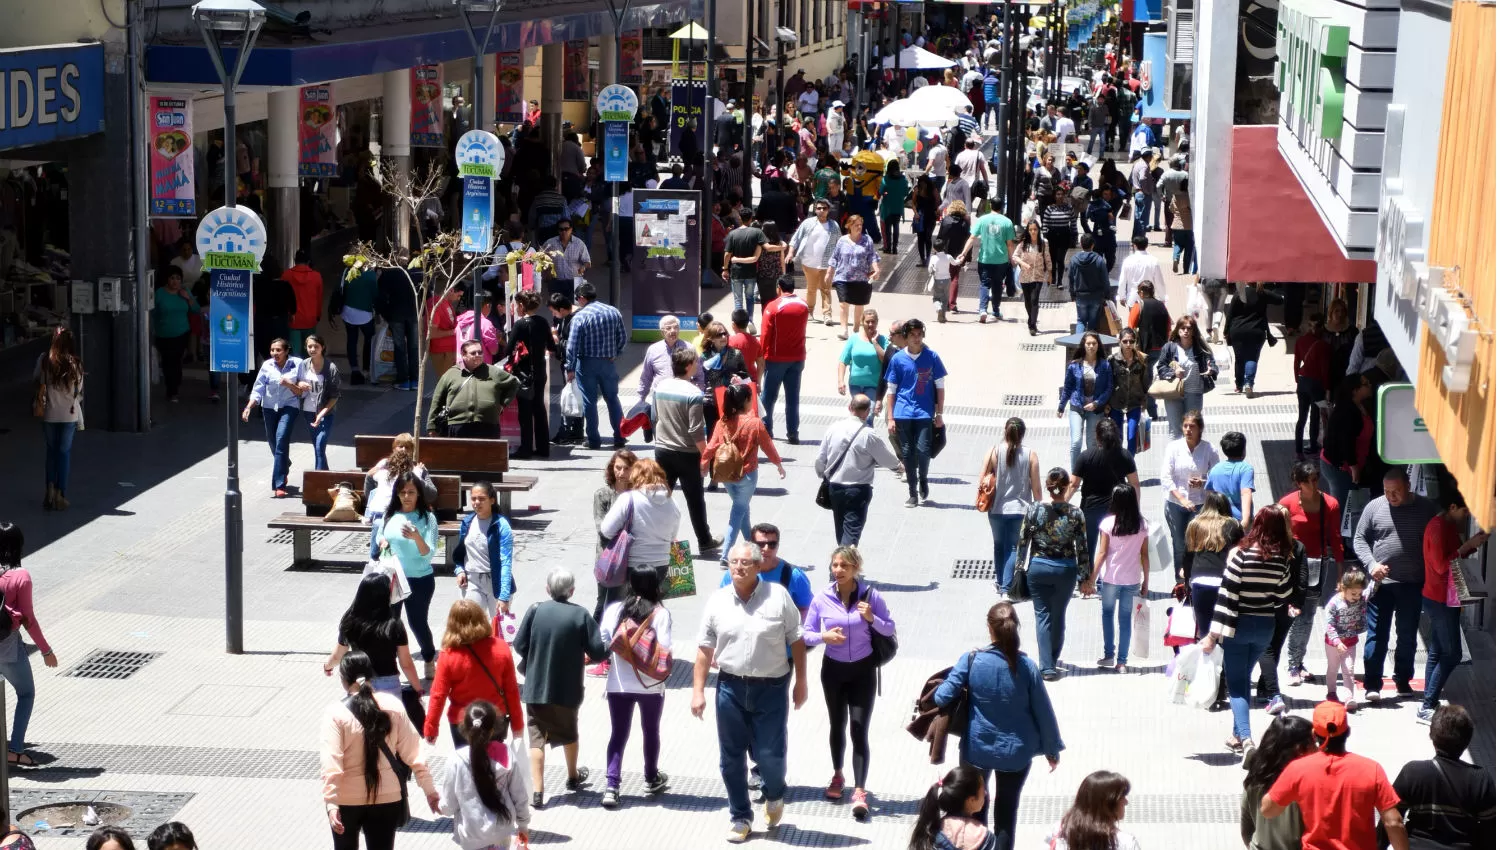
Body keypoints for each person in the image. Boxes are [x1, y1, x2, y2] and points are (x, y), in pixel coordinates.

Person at [692, 541, 809, 844]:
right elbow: (705, 648)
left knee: (770, 755)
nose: (739, 567)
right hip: (730, 687)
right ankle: (740, 816)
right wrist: (698, 691)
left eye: (745, 562)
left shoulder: (778, 597)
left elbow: (797, 640)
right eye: (734, 562)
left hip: (771, 687)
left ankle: (774, 794)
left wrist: (802, 682)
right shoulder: (718, 600)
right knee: (730, 758)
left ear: (758, 566)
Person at [934, 602, 1063, 848]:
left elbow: (942, 697)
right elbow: (1044, 711)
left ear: (989, 628)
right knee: (1007, 811)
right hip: (1015, 753)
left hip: (976, 750)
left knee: (974, 809)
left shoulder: (972, 660)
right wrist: (1052, 750)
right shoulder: (1027, 667)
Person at [801, 546, 894, 820]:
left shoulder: (871, 596)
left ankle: (860, 790)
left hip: (863, 672)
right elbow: (805, 634)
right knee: (837, 724)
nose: (838, 570)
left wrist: (871, 618)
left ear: (856, 569)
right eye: (835, 565)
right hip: (833, 671)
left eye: (844, 566)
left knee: (859, 729)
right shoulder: (822, 598)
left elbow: (889, 628)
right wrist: (824, 637)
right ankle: (838, 774)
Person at [1200, 506, 1298, 756]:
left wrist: (1212, 635)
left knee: (1237, 685)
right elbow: (1282, 596)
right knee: (1243, 678)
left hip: (1238, 627)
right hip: (1265, 627)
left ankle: (1246, 739)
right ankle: (1236, 735)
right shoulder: (1281, 558)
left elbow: (1226, 596)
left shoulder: (1241, 555)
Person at [320, 651, 439, 850]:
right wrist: (430, 791)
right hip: (387, 796)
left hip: (347, 798)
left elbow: (331, 763)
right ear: (371, 676)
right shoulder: (393, 705)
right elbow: (414, 753)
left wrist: (331, 803)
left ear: (343, 679)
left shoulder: (335, 713)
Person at [512, 568, 608, 808]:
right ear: (572, 591)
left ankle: (537, 791)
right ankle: (573, 776)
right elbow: (597, 652)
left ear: (547, 589)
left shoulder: (535, 610)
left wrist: (534, 657)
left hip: (535, 688)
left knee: (536, 739)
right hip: (567, 689)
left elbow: (519, 644)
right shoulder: (581, 615)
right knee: (569, 732)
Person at [1262, 702, 1409, 850]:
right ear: (1348, 732)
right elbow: (1393, 822)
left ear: (1314, 735)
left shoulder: (1297, 769)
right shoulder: (1372, 769)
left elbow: (1268, 810)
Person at [1353, 469, 1439, 702]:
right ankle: (1372, 682)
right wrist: (1372, 565)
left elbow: (1437, 538)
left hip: (1413, 583)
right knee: (1377, 635)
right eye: (1387, 491)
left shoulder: (1425, 508)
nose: (1391, 496)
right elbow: (1359, 538)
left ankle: (1403, 679)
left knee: (1408, 634)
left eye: (1396, 492)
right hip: (1383, 584)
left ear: (1408, 486)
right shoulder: (1374, 507)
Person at [596, 566, 675, 809]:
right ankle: (651, 778)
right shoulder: (660, 613)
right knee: (650, 731)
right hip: (651, 686)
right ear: (655, 584)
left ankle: (612, 786)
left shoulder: (615, 609)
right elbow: (666, 647)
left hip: (618, 684)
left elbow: (603, 639)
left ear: (630, 583)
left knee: (618, 733)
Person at [1419, 491, 1487, 723]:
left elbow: (1453, 557)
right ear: (1452, 506)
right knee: (1453, 653)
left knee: (1438, 650)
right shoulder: (1438, 528)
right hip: (1439, 599)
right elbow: (1440, 566)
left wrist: (1471, 545)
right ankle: (1427, 705)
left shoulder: (1446, 525)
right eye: (1465, 510)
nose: (1467, 515)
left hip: (1442, 598)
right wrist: (1465, 545)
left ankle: (1429, 701)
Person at [1388, 704, 1495, 846]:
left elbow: (1390, 820)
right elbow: (1490, 832)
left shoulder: (1412, 772)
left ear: (1432, 736)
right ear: (1468, 740)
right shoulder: (1480, 779)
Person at [423, 600, 524, 747]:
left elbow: (438, 695)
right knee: (494, 765)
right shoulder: (501, 648)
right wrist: (518, 725)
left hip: (462, 723)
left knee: (466, 766)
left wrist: (431, 727)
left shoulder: (448, 656)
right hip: (494, 719)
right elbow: (512, 691)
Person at [1278, 460, 1344, 687]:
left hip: (1317, 565)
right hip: (1292, 565)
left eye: (1316, 479)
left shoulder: (1330, 504)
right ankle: (1292, 662)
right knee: (1292, 614)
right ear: (1299, 483)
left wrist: (1340, 572)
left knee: (1306, 615)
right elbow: (1278, 535)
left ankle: (1296, 663)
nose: (1315, 485)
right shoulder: (1286, 504)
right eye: (1309, 482)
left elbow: (1336, 538)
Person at [1019, 469, 1089, 680]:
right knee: (1059, 614)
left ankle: (1047, 665)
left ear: (1048, 486)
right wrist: (1085, 577)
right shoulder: (1076, 514)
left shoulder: (1034, 510)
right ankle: (1053, 656)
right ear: (1067, 486)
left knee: (1042, 615)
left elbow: (1022, 540)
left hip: (1038, 568)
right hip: (1065, 570)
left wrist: (1019, 566)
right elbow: (1083, 548)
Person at [650, 347, 720, 554]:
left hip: (663, 449)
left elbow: (655, 417)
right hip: (688, 453)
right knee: (695, 499)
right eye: (696, 363)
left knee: (661, 496)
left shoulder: (661, 386)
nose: (697, 367)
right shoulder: (693, 393)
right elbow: (696, 430)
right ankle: (704, 540)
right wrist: (706, 456)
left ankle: (656, 538)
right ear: (689, 366)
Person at [704, 383, 786, 556]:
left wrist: (704, 464)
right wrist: (778, 464)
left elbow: (711, 446)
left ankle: (752, 547)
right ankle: (726, 555)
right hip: (747, 474)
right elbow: (767, 446)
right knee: (738, 511)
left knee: (742, 509)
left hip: (726, 474)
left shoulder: (722, 422)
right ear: (748, 401)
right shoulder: (755, 423)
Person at [439, 701, 532, 850]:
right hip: (501, 830)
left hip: (471, 833)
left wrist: (440, 806)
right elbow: (519, 794)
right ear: (493, 729)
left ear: (465, 728)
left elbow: (449, 805)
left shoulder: (456, 759)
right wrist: (523, 824)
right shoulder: (506, 754)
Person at [0, 524, 56, 767]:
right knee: (26, 694)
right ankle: (15, 750)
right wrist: (46, 650)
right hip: (8, 648)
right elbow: (29, 620)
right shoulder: (20, 577)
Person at [377, 472, 441, 679]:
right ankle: (390, 663)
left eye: (411, 492)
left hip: (419, 579)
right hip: (393, 577)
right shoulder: (391, 515)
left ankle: (429, 658)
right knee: (390, 622)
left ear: (419, 495)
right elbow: (379, 534)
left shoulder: (427, 518)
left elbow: (429, 552)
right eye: (402, 492)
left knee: (417, 622)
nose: (406, 496)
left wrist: (416, 537)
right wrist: (382, 542)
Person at [1082, 485, 1150, 671]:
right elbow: (1145, 555)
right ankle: (1122, 661)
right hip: (1133, 578)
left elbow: (1102, 553)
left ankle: (1108, 655)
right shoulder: (1142, 524)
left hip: (1111, 578)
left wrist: (1091, 579)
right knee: (1125, 619)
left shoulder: (1108, 523)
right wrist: (1146, 582)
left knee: (1107, 614)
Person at [885, 318, 946, 508]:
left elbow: (940, 387)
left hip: (924, 413)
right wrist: (890, 417)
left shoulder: (932, 357)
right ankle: (912, 492)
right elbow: (891, 390)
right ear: (906, 337)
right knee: (907, 453)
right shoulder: (897, 359)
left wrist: (939, 414)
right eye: (912, 335)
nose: (916, 338)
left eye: (919, 335)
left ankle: (923, 478)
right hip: (903, 412)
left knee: (923, 450)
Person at [981, 418, 1042, 598]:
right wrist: (1039, 508)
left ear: (1004, 431)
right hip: (1020, 510)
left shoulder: (993, 452)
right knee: (1013, 548)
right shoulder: (1031, 455)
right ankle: (1006, 589)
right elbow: (1037, 488)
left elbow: (982, 480)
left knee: (999, 546)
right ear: (1022, 434)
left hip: (996, 509)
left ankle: (1001, 583)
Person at [1068, 417, 1141, 566]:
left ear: (1097, 435)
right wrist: (1135, 509)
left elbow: (1073, 484)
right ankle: (1105, 579)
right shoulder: (1125, 455)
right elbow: (1135, 484)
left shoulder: (1086, 456)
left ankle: (1086, 580)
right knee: (1111, 546)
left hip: (1090, 508)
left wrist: (1061, 503)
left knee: (1088, 546)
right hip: (1116, 509)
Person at [564, 283, 628, 450]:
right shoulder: (613, 312)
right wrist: (617, 352)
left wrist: (569, 367)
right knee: (613, 399)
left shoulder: (580, 317)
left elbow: (572, 345)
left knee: (589, 402)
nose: (577, 302)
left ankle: (594, 439)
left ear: (583, 298)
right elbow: (622, 337)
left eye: (577, 299)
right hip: (608, 362)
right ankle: (620, 436)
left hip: (586, 363)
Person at [1240, 715, 1315, 850]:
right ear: (1300, 749)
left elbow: (1246, 828)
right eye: (1314, 744)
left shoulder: (1256, 775)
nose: (1319, 749)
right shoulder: (1305, 784)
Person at [242, 338, 303, 498]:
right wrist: (249, 406)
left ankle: (279, 484)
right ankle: (284, 463)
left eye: (278, 350)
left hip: (290, 406)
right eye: (272, 350)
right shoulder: (267, 365)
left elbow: (301, 392)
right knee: (273, 442)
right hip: (269, 407)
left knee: (281, 439)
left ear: (286, 351)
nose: (275, 353)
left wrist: (290, 384)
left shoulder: (297, 364)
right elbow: (258, 387)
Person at [426, 339, 520, 438]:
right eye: (473, 353)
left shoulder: (493, 372)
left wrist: (502, 404)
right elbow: (437, 400)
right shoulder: (451, 374)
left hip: (488, 427)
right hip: (457, 426)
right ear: (463, 355)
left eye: (480, 352)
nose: (477, 355)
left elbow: (514, 383)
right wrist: (431, 426)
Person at [34, 327, 83, 510]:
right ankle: (61, 494)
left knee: (51, 453)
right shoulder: (75, 364)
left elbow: (38, 380)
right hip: (69, 415)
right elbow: (79, 390)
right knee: (64, 455)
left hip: (50, 414)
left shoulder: (46, 361)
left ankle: (49, 490)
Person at [451, 482, 514, 620]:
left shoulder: (501, 525)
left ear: (492, 500)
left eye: (481, 498)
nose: (476, 502)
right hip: (472, 581)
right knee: (470, 626)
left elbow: (506, 562)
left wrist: (503, 596)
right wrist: (460, 570)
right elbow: (462, 552)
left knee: (498, 630)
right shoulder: (467, 522)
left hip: (495, 582)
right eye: (473, 498)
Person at [502, 290, 554, 458]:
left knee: (524, 413)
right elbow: (552, 346)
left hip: (524, 374)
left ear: (522, 306)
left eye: (517, 305)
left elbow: (508, 350)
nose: (516, 308)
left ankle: (525, 449)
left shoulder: (520, 325)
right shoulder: (543, 322)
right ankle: (543, 447)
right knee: (539, 410)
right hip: (540, 372)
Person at [1320, 374, 1374, 528]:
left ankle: (1346, 541)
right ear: (1355, 390)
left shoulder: (1360, 405)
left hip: (1350, 465)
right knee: (1343, 508)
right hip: (1340, 467)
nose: (1369, 385)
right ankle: (1339, 544)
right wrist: (1353, 466)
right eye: (1365, 383)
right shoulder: (1347, 411)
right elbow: (1346, 441)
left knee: (1350, 507)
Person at [760, 276, 810, 443]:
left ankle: (766, 430)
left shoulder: (773, 307)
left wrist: (761, 355)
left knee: (768, 396)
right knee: (793, 397)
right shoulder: (804, 306)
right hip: (797, 358)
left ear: (779, 287)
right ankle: (793, 432)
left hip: (776, 358)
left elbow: (765, 334)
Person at [907, 765, 998, 850]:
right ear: (971, 800)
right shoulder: (984, 838)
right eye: (983, 791)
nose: (985, 794)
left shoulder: (933, 830)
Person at [1156, 316, 1218, 440]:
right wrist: (1173, 372)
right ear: (1178, 330)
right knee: (1175, 429)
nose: (1185, 331)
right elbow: (1161, 367)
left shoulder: (1201, 348)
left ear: (1194, 331)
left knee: (1192, 428)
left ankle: (1193, 456)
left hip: (1194, 393)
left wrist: (1211, 371)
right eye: (1182, 328)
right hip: (1174, 392)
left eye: (1189, 328)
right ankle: (1176, 458)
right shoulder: (1169, 347)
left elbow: (1213, 365)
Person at [1044, 771, 1141, 850]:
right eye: (1122, 797)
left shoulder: (1058, 831)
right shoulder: (1126, 843)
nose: (1126, 802)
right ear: (1107, 804)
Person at [1058, 331, 1113, 468]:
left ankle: (1090, 473)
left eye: (1094, 343)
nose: (1091, 346)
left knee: (1092, 443)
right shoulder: (1074, 365)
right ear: (1083, 345)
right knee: (1076, 442)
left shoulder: (1105, 365)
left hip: (1095, 410)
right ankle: (1075, 474)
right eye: (1088, 343)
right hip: (1077, 407)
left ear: (1098, 346)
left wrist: (1097, 403)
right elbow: (1068, 387)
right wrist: (1061, 406)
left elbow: (1109, 388)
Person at [962, 198, 1017, 324]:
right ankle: (996, 310)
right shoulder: (1007, 222)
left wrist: (963, 253)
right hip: (1001, 260)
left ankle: (982, 309)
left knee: (984, 284)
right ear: (1002, 207)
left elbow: (972, 238)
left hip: (985, 259)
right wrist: (1011, 258)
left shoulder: (982, 220)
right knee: (997, 285)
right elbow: (1009, 244)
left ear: (990, 205)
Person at [1322, 568, 1371, 711]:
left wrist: (1377, 578)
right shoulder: (1333, 604)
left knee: (1349, 669)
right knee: (1333, 668)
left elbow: (1371, 589)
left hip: (1350, 641)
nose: (1357, 597)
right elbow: (1329, 625)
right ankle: (1331, 692)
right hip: (1333, 643)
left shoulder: (1361, 598)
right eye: (1353, 593)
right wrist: (1337, 641)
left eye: (1359, 593)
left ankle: (1349, 697)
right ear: (1344, 588)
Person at [788, 199, 841, 326]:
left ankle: (827, 314)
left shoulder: (834, 226)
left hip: (826, 264)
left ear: (828, 210)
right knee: (811, 289)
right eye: (819, 208)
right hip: (809, 262)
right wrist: (790, 253)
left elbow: (839, 244)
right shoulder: (807, 223)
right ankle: (809, 311)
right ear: (815, 210)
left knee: (826, 289)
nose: (821, 211)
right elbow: (795, 239)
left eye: (824, 208)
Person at [828, 215, 881, 340]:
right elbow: (835, 257)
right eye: (856, 225)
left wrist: (876, 268)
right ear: (849, 226)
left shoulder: (867, 240)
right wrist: (829, 272)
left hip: (862, 278)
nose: (859, 227)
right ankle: (844, 329)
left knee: (859, 305)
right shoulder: (842, 240)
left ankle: (856, 329)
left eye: (860, 225)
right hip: (843, 277)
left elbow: (872, 256)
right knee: (843, 304)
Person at [1224, 283, 1284, 397]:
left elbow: (1230, 314)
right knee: (1252, 357)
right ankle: (1249, 384)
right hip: (1257, 331)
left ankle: (1239, 385)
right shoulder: (1263, 293)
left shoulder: (1239, 294)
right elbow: (1280, 300)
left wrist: (1226, 331)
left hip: (1238, 330)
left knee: (1239, 358)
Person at [295, 334, 341, 471]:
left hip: (326, 411)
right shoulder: (304, 364)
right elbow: (298, 383)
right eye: (310, 346)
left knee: (320, 444)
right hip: (308, 410)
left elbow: (335, 396)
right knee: (317, 446)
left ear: (322, 347)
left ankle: (318, 479)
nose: (313, 349)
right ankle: (324, 477)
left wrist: (321, 414)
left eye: (316, 346)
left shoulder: (331, 368)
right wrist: (300, 383)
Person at [374, 255, 420, 391]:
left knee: (400, 348)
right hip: (413, 314)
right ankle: (415, 380)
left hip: (396, 315)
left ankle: (403, 379)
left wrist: (386, 315)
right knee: (413, 347)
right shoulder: (415, 274)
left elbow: (380, 298)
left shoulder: (387, 275)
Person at [153, 266, 196, 403]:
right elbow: (152, 312)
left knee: (176, 361)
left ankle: (174, 390)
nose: (175, 281)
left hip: (182, 333)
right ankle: (171, 389)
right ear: (167, 279)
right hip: (163, 334)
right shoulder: (159, 293)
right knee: (167, 362)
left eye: (178, 278)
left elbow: (196, 309)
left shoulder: (184, 292)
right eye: (172, 278)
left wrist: (188, 298)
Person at [1107, 328, 1150, 455]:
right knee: (1117, 437)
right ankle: (1118, 466)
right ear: (1119, 341)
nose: (1128, 344)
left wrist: (1144, 402)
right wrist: (1107, 403)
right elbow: (1109, 382)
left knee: (1132, 436)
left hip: (1134, 403)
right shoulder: (1112, 360)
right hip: (1116, 403)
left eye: (1131, 341)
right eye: (1125, 341)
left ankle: (1129, 466)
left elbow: (1146, 382)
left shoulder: (1142, 359)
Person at [1293, 313, 1330, 455]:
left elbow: (1296, 363)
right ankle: (1313, 445)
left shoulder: (1300, 341)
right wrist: (1327, 388)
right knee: (1315, 416)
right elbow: (1324, 370)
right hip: (1317, 384)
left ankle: (1298, 450)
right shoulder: (1324, 345)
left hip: (1302, 381)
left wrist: (1298, 380)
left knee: (1301, 417)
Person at [934, 200, 973, 321]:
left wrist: (937, 251)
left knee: (944, 277)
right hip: (959, 254)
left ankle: (943, 303)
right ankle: (952, 304)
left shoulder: (946, 221)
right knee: (955, 277)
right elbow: (968, 240)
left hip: (945, 253)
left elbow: (940, 237)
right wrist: (968, 256)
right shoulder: (965, 223)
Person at [1204, 431, 1256, 522]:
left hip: (1219, 520)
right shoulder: (1246, 469)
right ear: (1243, 450)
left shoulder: (1215, 469)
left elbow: (1210, 494)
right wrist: (1246, 520)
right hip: (1239, 521)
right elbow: (1246, 493)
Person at [724, 213, 768, 315]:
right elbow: (766, 246)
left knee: (738, 300)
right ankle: (750, 320)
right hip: (751, 272)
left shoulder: (733, 234)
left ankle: (740, 323)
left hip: (736, 271)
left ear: (740, 218)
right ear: (751, 219)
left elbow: (727, 254)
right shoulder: (757, 232)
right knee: (750, 298)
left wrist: (725, 268)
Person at [1067, 233, 1110, 333]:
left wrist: (1072, 294)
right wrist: (1107, 295)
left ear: (1081, 244)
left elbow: (1070, 278)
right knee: (1092, 321)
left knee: (1081, 321)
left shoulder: (1074, 260)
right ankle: (1090, 342)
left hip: (1080, 295)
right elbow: (1105, 279)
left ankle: (1079, 344)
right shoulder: (1099, 260)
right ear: (1093, 245)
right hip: (1096, 296)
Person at [1011, 219, 1048, 335]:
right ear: (1028, 230)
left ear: (1038, 230)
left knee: (1034, 299)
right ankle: (1030, 319)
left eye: (1035, 229)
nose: (1033, 232)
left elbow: (1048, 258)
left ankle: (1032, 325)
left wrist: (1050, 273)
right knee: (1027, 300)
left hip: (1038, 275)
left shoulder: (1043, 243)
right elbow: (1014, 256)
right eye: (1031, 229)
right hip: (1025, 276)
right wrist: (1023, 264)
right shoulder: (1023, 244)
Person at [283, 249, 323, 352]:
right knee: (309, 350)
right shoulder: (316, 276)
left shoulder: (286, 275)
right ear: (308, 261)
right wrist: (318, 315)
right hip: (310, 318)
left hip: (293, 319)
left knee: (295, 353)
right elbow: (319, 298)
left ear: (295, 260)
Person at [1040, 187, 1077, 290]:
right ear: (1054, 196)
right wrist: (1045, 237)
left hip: (1064, 235)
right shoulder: (1049, 208)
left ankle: (1060, 281)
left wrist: (1074, 235)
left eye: (1062, 194)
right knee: (1052, 259)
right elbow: (1045, 223)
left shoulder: (1069, 208)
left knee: (1060, 259)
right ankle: (1053, 278)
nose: (1060, 196)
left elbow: (1073, 222)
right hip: (1052, 236)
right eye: (1058, 194)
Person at [424, 287, 462, 382]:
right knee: (447, 383)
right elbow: (431, 333)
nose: (459, 299)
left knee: (451, 382)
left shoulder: (445, 302)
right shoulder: (435, 304)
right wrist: (454, 331)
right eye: (459, 295)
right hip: (442, 351)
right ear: (451, 290)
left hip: (449, 350)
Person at [753, 222, 789, 317]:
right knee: (775, 300)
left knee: (764, 301)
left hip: (763, 275)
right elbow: (782, 260)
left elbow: (756, 257)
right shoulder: (780, 243)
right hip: (776, 275)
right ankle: (775, 320)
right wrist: (783, 274)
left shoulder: (760, 243)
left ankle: (765, 320)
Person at [455, 297, 501, 364]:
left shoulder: (460, 321)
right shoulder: (485, 324)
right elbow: (493, 350)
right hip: (480, 368)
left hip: (461, 365)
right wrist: (496, 340)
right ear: (488, 305)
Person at [877, 160, 909, 254]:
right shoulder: (903, 179)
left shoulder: (886, 179)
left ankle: (888, 248)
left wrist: (887, 193)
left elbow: (881, 191)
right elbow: (906, 192)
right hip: (898, 206)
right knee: (896, 227)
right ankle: (895, 248)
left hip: (887, 207)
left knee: (887, 228)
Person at [911, 175, 939, 266]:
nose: (922, 184)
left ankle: (928, 258)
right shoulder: (917, 190)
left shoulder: (933, 190)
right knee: (920, 238)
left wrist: (936, 212)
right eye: (921, 183)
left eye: (924, 183)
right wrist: (916, 213)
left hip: (930, 217)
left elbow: (937, 202)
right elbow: (913, 203)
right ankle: (922, 259)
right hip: (920, 216)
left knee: (928, 237)